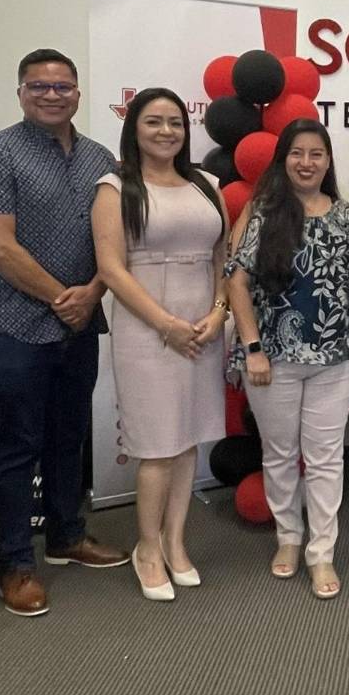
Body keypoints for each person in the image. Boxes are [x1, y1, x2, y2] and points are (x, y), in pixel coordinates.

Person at [0, 48, 129, 617]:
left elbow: (117, 247)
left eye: (62, 86)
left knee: (68, 436)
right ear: (21, 92)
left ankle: (66, 537)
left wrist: (95, 293)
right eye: (39, 86)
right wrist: (63, 296)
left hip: (80, 324)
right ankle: (15, 563)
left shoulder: (101, 157)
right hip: (16, 327)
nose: (52, 95)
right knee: (18, 446)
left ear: (78, 93)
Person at [92, 88, 228, 602]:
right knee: (156, 445)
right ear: (134, 128)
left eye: (175, 122)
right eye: (154, 122)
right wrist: (165, 323)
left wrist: (218, 313)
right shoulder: (114, 187)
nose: (167, 131)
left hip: (202, 326)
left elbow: (222, 257)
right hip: (147, 328)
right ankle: (145, 548)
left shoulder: (206, 184)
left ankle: (175, 542)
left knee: (189, 436)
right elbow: (111, 269)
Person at [226, 120, 349, 600]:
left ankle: (321, 551)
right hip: (273, 359)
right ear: (283, 159)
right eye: (297, 153)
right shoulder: (262, 212)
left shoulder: (344, 214)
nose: (307, 163)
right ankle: (289, 537)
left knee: (326, 459)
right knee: (281, 453)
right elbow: (236, 282)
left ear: (328, 161)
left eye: (317, 154)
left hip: (332, 358)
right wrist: (252, 347)